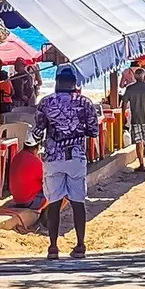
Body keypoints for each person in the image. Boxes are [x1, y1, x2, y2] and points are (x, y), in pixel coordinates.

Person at [36, 67, 102, 259]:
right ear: (74, 84)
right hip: (76, 157)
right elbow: (93, 132)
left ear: (57, 82)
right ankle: (80, 245)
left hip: (53, 158)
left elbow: (38, 131)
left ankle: (53, 247)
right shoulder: (85, 103)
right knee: (77, 202)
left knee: (54, 202)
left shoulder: (46, 103)